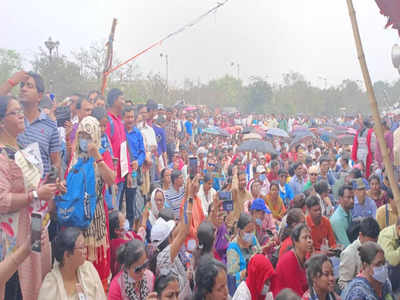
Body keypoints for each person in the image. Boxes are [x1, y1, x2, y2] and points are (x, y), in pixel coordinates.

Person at [0, 95, 57, 300]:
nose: (21, 115)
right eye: (14, 112)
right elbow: (2, 201)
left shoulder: (21, 151)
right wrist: (34, 194)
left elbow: (33, 188)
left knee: (32, 284)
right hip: (13, 237)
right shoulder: (3, 156)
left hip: (32, 228)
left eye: (19, 111)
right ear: (1, 122)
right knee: (16, 286)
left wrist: (49, 188)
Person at [68, 116, 115, 289]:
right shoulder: (75, 157)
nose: (84, 140)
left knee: (96, 262)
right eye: (81, 135)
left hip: (96, 219)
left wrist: (97, 157)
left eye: (88, 136)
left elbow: (111, 180)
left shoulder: (103, 154)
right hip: (76, 219)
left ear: (95, 136)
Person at [38, 227, 106, 300]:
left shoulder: (88, 269)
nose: (85, 250)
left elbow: (101, 296)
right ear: (67, 255)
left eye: (85, 246)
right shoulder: (50, 284)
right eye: (81, 247)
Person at [151, 182, 192, 299]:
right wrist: (190, 197)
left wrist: (188, 196)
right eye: (172, 232)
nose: (175, 232)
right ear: (167, 238)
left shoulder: (162, 251)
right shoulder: (164, 256)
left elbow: (182, 226)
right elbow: (184, 231)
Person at [339, 217, 380, 290]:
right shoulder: (349, 253)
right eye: (369, 243)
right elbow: (344, 284)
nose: (372, 246)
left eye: (375, 242)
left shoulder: (377, 248)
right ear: (360, 236)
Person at [273, 224, 313, 297]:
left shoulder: (305, 258)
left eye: (310, 237)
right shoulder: (288, 260)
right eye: (305, 238)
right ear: (295, 241)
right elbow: (295, 293)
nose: (309, 241)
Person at [106, 88, 130, 211]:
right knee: (112, 212)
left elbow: (124, 148)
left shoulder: (119, 122)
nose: (124, 102)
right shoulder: (108, 122)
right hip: (112, 178)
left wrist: (128, 172)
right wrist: (112, 180)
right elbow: (106, 152)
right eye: (122, 99)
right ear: (115, 100)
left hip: (121, 175)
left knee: (117, 210)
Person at [123, 106, 146, 229]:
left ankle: (130, 228)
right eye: (128, 117)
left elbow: (143, 152)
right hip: (121, 173)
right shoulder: (120, 132)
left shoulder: (137, 133)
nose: (130, 119)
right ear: (123, 118)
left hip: (133, 172)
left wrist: (138, 161)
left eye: (132, 117)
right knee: (121, 201)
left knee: (131, 202)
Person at [227, 212, 260, 293]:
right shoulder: (232, 249)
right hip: (242, 290)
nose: (251, 234)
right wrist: (248, 270)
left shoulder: (253, 239)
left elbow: (260, 253)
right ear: (239, 230)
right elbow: (232, 279)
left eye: (253, 231)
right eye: (248, 232)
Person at [109, 211, 143, 278]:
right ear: (117, 230)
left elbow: (139, 239)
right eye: (124, 221)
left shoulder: (126, 234)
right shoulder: (116, 244)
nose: (126, 222)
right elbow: (138, 243)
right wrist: (144, 221)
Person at [377, 217, 400, 292]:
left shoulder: (397, 232)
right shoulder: (386, 236)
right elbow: (393, 261)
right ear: (399, 228)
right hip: (387, 275)